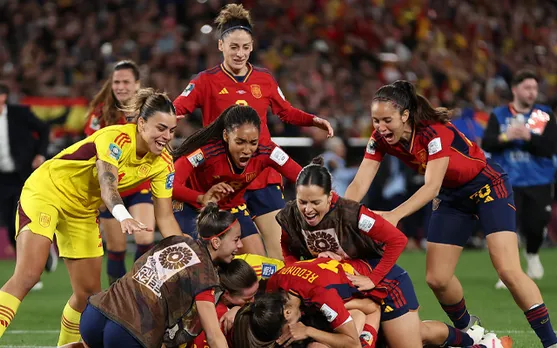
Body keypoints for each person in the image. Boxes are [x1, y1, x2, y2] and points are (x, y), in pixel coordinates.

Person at [344, 80, 557, 348]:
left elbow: (431, 186)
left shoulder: (434, 132)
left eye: (386, 119)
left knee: (507, 270)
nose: (380, 127)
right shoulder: (379, 140)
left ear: (405, 115)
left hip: (488, 185)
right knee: (437, 279)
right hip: (452, 195)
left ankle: (551, 342)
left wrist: (395, 215)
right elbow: (359, 183)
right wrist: (339, 215)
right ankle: (472, 328)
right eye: (375, 120)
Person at [0, 88, 184, 346]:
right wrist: (123, 216)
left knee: (88, 295)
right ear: (141, 123)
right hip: (47, 191)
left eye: (171, 130)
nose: (166, 136)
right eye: (160, 128)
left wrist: (185, 251)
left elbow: (165, 218)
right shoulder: (116, 138)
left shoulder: (163, 163)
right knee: (28, 275)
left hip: (83, 210)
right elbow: (108, 187)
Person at [173, 3, 334, 260]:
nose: (239, 53)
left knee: (277, 251)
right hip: (220, 176)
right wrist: (153, 123)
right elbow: (177, 109)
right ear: (221, 46)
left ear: (252, 46)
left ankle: (278, 297)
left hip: (261, 171)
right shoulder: (205, 80)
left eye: (245, 47)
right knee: (232, 254)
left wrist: (314, 120)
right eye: (233, 47)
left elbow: (286, 111)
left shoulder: (264, 78)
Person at [69, 203, 240, 348]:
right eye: (236, 239)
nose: (240, 245)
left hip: (95, 313)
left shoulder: (178, 240)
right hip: (128, 331)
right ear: (216, 242)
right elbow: (213, 336)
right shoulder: (205, 276)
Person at [172, 105, 302, 256]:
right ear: (226, 136)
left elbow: (303, 177)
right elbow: (171, 185)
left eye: (253, 142)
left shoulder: (267, 151)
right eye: (240, 142)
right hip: (193, 207)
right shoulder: (206, 151)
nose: (247, 150)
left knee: (258, 264)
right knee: (200, 263)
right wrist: (201, 198)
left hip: (231, 207)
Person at [84, 60, 157, 285]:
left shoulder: (150, 111)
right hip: (110, 187)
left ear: (137, 84)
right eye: (116, 82)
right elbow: (91, 150)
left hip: (139, 184)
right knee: (116, 247)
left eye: (126, 82)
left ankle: (140, 291)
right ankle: (116, 299)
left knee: (145, 237)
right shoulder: (100, 113)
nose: (121, 86)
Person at [482, 70, 557, 287]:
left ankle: (532, 253)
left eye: (535, 88)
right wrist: (507, 137)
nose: (532, 92)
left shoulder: (541, 115)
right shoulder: (500, 115)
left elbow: (549, 147)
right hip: (507, 180)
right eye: (527, 88)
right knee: (506, 228)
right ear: (515, 89)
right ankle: (507, 273)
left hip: (538, 180)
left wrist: (527, 137)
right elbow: (487, 143)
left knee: (536, 225)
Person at [0, 83, 54, 288]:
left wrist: (40, 154)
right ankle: (31, 266)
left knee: (20, 221)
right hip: (2, 180)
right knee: (8, 224)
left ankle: (33, 271)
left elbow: (44, 128)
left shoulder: (19, 114)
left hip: (23, 176)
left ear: (3, 97)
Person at [187, 258, 260, 348]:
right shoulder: (222, 319)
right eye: (247, 299)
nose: (253, 301)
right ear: (227, 294)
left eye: (255, 293)